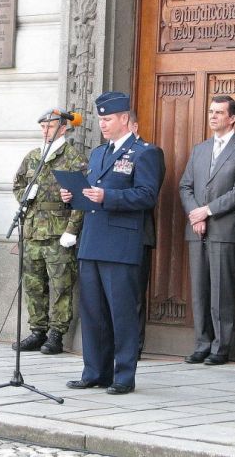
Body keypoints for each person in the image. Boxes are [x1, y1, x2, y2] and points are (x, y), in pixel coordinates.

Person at [62, 92, 162, 394]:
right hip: (93, 240)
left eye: (107, 119)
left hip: (122, 243)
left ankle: (123, 375)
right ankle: (94, 371)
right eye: (100, 119)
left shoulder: (146, 153)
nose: (102, 124)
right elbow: (91, 195)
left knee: (121, 313)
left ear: (124, 119)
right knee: (93, 311)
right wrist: (72, 198)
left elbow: (147, 194)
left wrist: (110, 196)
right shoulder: (98, 154)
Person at [179, 95, 235, 365]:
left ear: (232, 117)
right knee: (199, 290)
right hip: (197, 229)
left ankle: (220, 347)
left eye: (219, 112)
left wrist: (207, 211)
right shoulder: (199, 149)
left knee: (222, 290)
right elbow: (185, 186)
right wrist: (195, 214)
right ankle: (201, 343)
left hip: (225, 230)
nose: (213, 116)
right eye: (211, 111)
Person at [11, 108, 87, 355]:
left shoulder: (73, 158)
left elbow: (82, 196)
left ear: (63, 128)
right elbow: (18, 184)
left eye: (51, 127)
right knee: (34, 284)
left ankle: (56, 334)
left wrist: (72, 230)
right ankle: (37, 331)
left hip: (58, 232)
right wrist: (25, 195)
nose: (45, 131)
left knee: (61, 285)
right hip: (33, 230)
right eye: (43, 127)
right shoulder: (34, 156)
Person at [128, 111, 166, 360]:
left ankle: (134, 346)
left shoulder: (148, 152)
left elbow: (147, 193)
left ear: (131, 125)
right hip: (109, 236)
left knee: (134, 295)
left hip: (137, 234)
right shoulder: (104, 152)